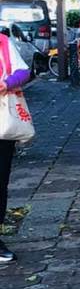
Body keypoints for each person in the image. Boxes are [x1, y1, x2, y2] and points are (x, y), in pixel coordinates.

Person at [0, 28, 31, 263]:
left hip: (3, 126)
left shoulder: (3, 43)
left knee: (1, 182)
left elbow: (23, 72)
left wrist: (6, 83)